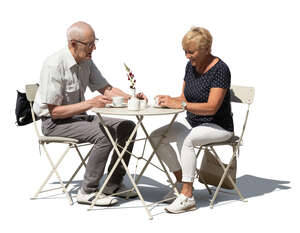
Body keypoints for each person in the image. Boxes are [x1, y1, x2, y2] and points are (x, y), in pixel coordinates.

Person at [33, 21, 147, 206]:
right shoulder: (53, 65)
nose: (94, 48)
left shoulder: (86, 61)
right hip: (54, 123)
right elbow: (54, 112)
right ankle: (87, 192)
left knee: (128, 127)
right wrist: (88, 103)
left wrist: (133, 98)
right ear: (73, 44)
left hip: (78, 118)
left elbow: (106, 88)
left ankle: (113, 183)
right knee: (105, 134)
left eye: (95, 42)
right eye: (89, 44)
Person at [150, 27, 234, 214]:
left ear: (206, 49)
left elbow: (212, 107)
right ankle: (181, 183)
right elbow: (184, 97)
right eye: (185, 52)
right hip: (194, 123)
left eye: (191, 52)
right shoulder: (191, 66)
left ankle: (187, 196)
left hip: (219, 126)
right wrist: (169, 100)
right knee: (156, 137)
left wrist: (180, 105)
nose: (187, 56)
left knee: (186, 139)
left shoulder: (221, 69)